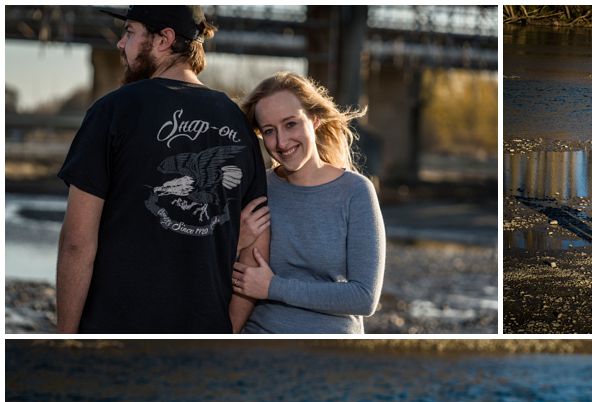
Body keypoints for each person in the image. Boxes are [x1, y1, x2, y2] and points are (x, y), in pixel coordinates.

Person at [56, 5, 268, 334]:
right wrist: (227, 330)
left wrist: (65, 340)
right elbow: (256, 253)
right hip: (204, 339)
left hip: (115, 333)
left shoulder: (112, 110)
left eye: (129, 33)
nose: (120, 44)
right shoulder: (238, 121)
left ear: (163, 39)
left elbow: (76, 243)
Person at [232, 72, 385, 334]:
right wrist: (235, 241)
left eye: (291, 124)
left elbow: (364, 297)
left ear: (314, 119)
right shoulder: (259, 188)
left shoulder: (356, 192)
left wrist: (273, 287)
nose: (281, 142)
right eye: (269, 131)